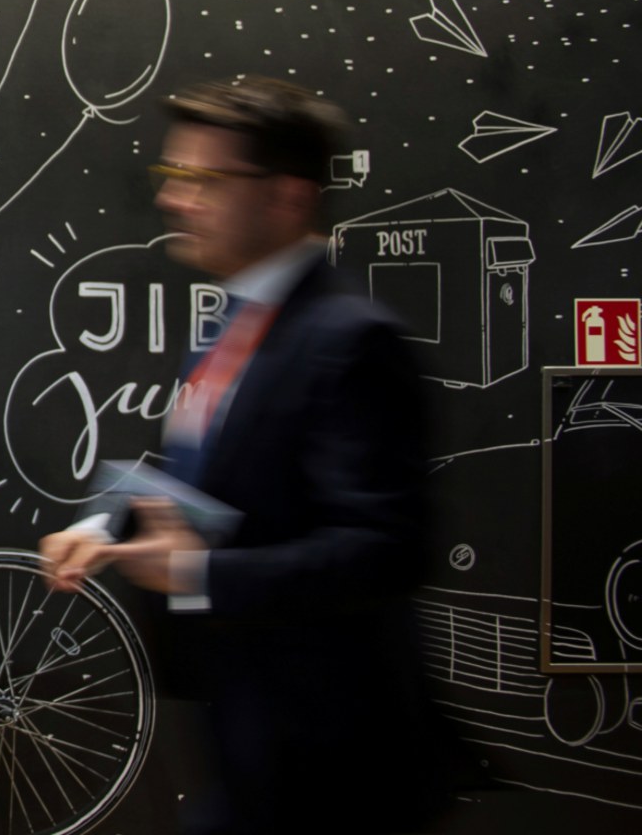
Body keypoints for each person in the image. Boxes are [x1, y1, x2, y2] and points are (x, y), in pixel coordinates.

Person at [39, 76, 450, 835]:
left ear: (288, 197)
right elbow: (208, 482)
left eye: (203, 179)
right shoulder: (236, 321)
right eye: (173, 175)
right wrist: (104, 528)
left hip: (336, 764)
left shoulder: (350, 339)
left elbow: (385, 551)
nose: (174, 199)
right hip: (252, 737)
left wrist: (196, 572)